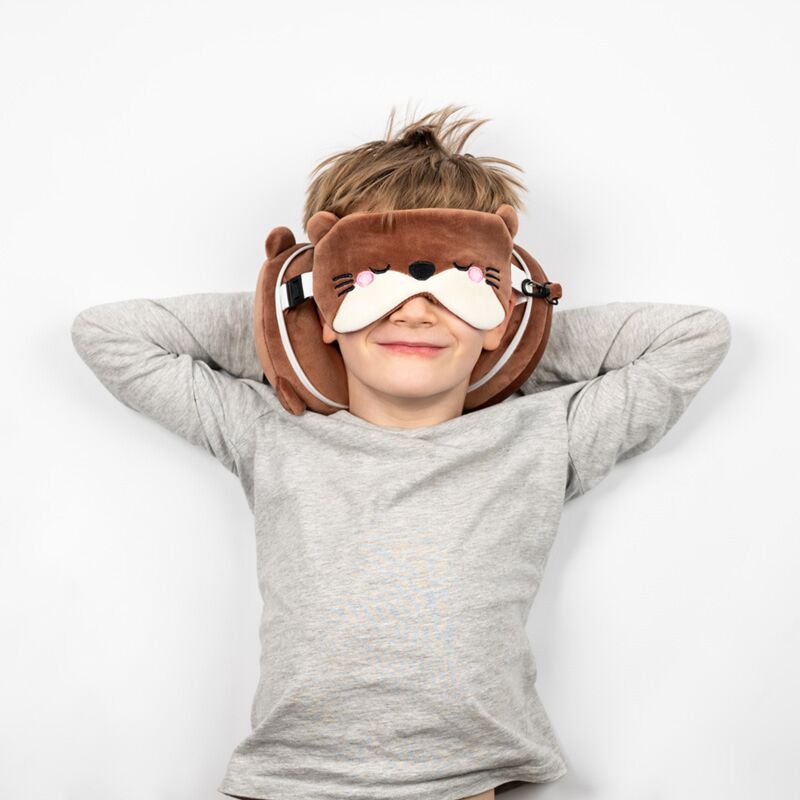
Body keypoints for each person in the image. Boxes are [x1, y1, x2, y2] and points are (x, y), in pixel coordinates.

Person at [70, 104, 732, 800]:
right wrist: (291, 328)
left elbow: (694, 336)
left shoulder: (545, 436)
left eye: (461, 283)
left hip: (468, 780)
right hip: (292, 781)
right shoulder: (269, 432)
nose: (415, 310)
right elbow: (108, 335)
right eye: (371, 282)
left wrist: (509, 345)